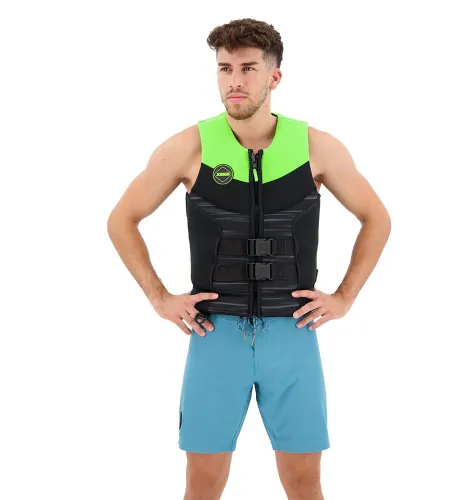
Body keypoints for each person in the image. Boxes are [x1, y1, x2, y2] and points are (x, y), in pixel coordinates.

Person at [107, 17, 391, 500]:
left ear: (273, 77)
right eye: (225, 69)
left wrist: (345, 297)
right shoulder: (189, 146)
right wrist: (159, 297)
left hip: (293, 336)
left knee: (304, 483)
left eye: (247, 69)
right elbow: (122, 220)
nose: (234, 81)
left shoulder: (316, 147)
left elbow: (376, 218)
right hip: (215, 336)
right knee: (202, 484)